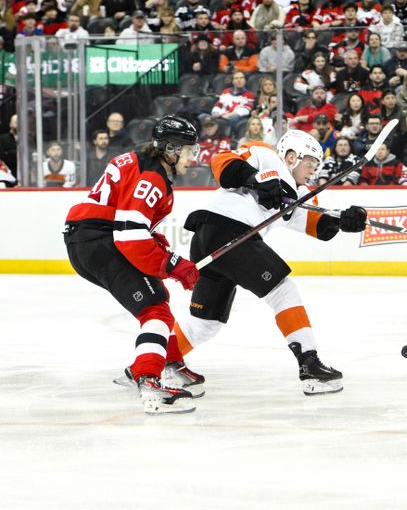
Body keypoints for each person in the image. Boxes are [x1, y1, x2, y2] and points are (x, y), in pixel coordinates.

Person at [167, 130, 368, 396]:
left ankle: (156, 362)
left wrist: (344, 220)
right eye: (310, 163)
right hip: (228, 231)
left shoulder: (298, 195)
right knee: (283, 291)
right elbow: (222, 162)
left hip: (211, 240)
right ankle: (309, 364)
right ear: (293, 156)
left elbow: (317, 226)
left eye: (317, 167)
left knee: (206, 323)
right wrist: (255, 179)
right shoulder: (266, 155)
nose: (313, 171)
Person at [65, 116, 200, 414]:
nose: (193, 157)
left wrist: (157, 246)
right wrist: (173, 263)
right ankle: (150, 382)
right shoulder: (153, 178)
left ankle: (160, 363)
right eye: (189, 150)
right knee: (155, 309)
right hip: (101, 241)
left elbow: (126, 218)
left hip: (86, 240)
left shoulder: (135, 160)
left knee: (156, 302)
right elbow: (130, 234)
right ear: (170, 148)